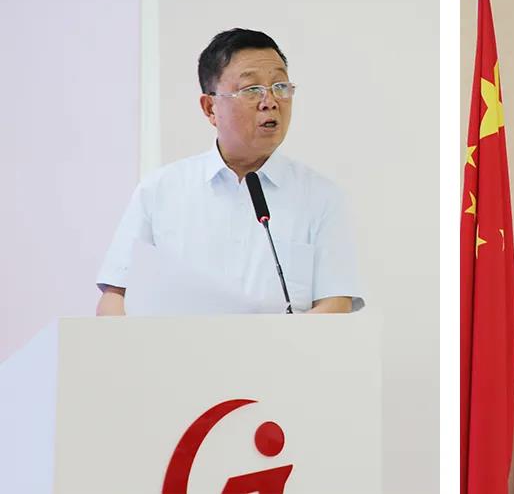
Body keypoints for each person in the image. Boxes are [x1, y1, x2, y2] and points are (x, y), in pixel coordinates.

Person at [96, 28, 362, 316]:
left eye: (280, 86)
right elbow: (115, 299)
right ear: (210, 108)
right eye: (252, 90)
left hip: (281, 348)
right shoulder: (159, 191)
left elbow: (335, 305)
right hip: (179, 346)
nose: (270, 101)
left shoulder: (321, 197)